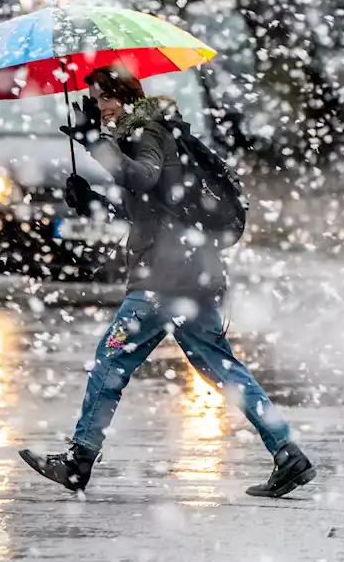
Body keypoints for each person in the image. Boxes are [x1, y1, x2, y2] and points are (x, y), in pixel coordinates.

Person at [18, 63, 315, 498]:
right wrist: (92, 203)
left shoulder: (148, 133)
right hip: (187, 270)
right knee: (220, 367)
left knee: (111, 360)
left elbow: (143, 177)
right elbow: (148, 209)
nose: (98, 107)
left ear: (127, 98)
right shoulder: (143, 136)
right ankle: (288, 452)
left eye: (105, 98)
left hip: (165, 275)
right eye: (94, 99)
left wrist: (93, 143)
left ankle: (80, 461)